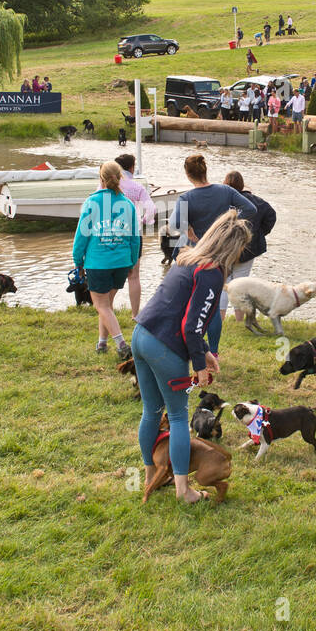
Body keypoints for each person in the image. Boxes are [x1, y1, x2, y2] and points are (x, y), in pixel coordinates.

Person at [132, 210, 252, 505]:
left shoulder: (186, 259)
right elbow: (190, 326)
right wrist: (199, 366)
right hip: (165, 348)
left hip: (141, 335)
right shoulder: (211, 272)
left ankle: (151, 476)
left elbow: (181, 312)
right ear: (231, 247)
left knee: (150, 411)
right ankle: (184, 490)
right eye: (240, 249)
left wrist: (206, 352)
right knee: (176, 417)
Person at [172, 154, 257, 353]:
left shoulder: (186, 197)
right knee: (213, 305)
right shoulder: (225, 190)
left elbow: (174, 224)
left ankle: (190, 346)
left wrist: (187, 227)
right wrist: (229, 225)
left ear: (187, 174)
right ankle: (215, 351)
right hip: (220, 255)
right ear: (205, 171)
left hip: (196, 255)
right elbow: (250, 208)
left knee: (191, 303)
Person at [74, 161, 141, 357]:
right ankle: (102, 343)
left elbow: (81, 236)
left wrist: (78, 260)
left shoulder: (92, 202)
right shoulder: (128, 204)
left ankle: (121, 345)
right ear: (120, 177)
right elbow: (134, 237)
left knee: (101, 305)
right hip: (121, 261)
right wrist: (132, 261)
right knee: (107, 305)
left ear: (101, 178)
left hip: (98, 262)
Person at [222, 170, 276, 323]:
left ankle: (221, 319)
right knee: (240, 284)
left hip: (225, 249)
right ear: (242, 184)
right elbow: (271, 216)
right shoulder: (256, 201)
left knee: (223, 284)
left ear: (225, 184)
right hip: (247, 249)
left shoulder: (221, 201)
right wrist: (259, 234)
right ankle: (239, 320)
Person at [114, 154, 157, 317]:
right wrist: (144, 221)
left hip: (111, 233)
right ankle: (134, 314)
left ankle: (106, 308)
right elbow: (151, 208)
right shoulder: (137, 187)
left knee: (113, 271)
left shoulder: (108, 185)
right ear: (132, 168)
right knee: (134, 275)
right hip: (133, 233)